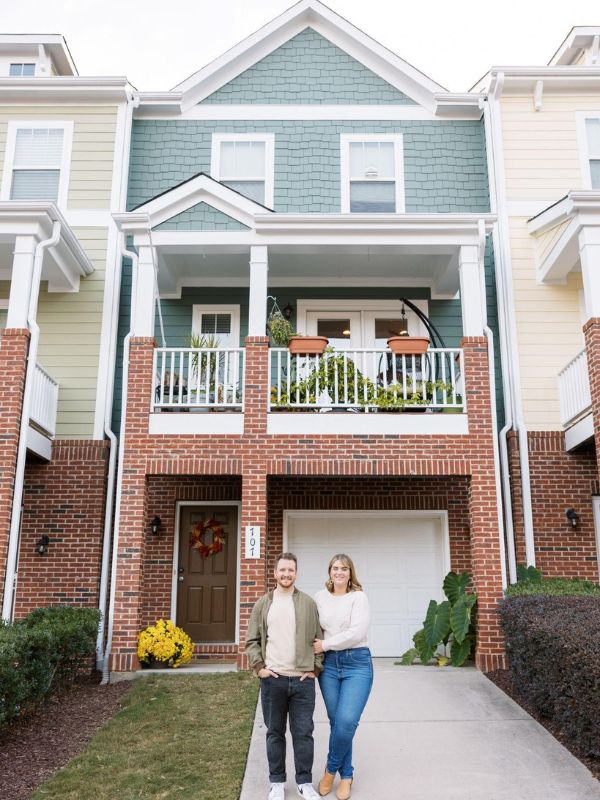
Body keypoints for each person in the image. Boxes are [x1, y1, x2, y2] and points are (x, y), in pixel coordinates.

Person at [246, 552, 324, 800]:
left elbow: (318, 638)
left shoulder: (308, 603)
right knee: (274, 732)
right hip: (273, 680)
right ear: (275, 573)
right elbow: (252, 641)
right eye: (282, 570)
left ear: (296, 573)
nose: (286, 574)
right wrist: (259, 668)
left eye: (291, 570)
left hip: (302, 681)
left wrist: (315, 669)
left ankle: (304, 782)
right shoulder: (263, 603)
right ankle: (277, 782)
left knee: (303, 733)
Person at [313, 554, 373, 800]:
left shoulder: (359, 597)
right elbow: (312, 628)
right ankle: (346, 775)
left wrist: (326, 645)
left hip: (357, 662)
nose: (339, 572)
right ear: (329, 571)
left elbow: (356, 633)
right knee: (337, 722)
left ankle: (330, 769)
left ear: (351, 573)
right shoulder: (319, 597)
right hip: (329, 666)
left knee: (347, 721)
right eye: (335, 568)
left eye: (344, 568)